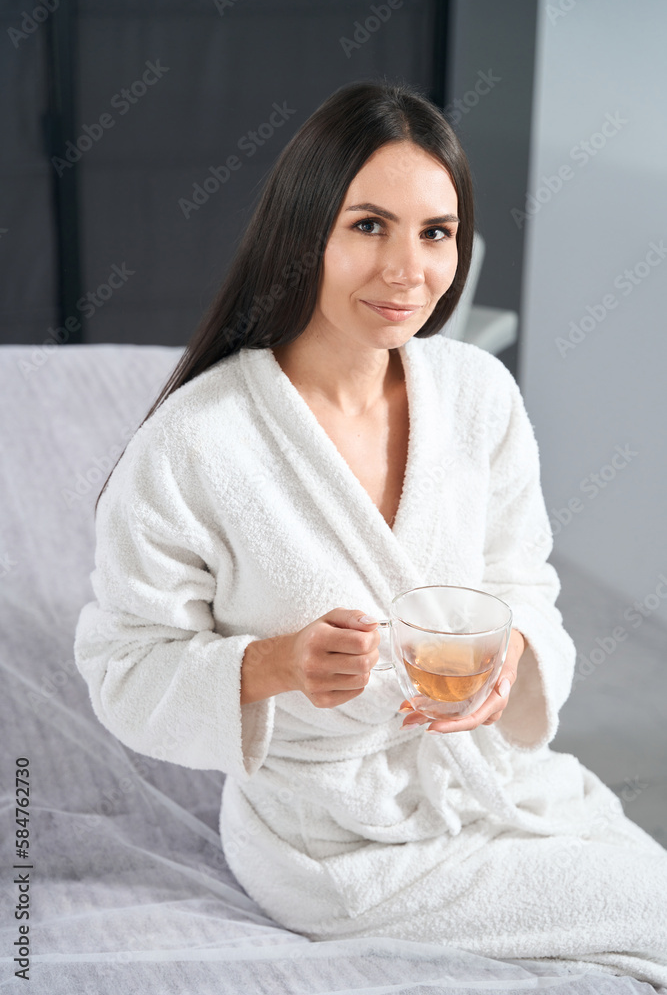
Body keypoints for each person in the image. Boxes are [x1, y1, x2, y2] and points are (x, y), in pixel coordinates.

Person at [74, 79, 667, 989]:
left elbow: (524, 584)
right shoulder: (197, 443)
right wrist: (274, 665)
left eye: (435, 232)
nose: (408, 270)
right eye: (368, 226)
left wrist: (507, 654)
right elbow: (123, 669)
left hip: (498, 781)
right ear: (303, 230)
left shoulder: (477, 395)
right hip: (337, 843)